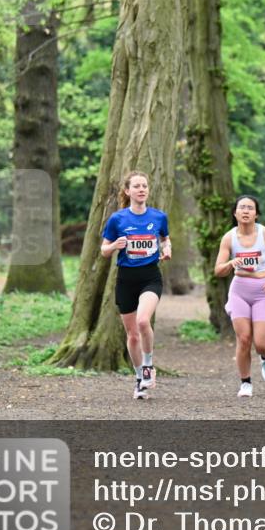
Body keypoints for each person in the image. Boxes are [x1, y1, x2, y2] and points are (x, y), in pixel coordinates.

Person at [100, 171, 171, 400]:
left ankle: (148, 365)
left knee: (142, 321)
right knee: (132, 336)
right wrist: (114, 246)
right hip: (126, 279)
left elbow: (165, 238)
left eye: (144, 186)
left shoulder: (159, 217)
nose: (141, 189)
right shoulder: (117, 219)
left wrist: (167, 248)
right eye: (137, 186)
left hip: (150, 277)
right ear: (127, 191)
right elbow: (103, 250)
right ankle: (140, 378)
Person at [213, 195, 265, 398]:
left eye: (250, 208)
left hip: (262, 291)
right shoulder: (229, 238)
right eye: (242, 207)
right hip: (239, 290)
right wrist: (230, 263)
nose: (246, 211)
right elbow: (218, 270)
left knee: (261, 343)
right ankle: (246, 383)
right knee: (244, 338)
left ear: (256, 214)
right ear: (235, 213)